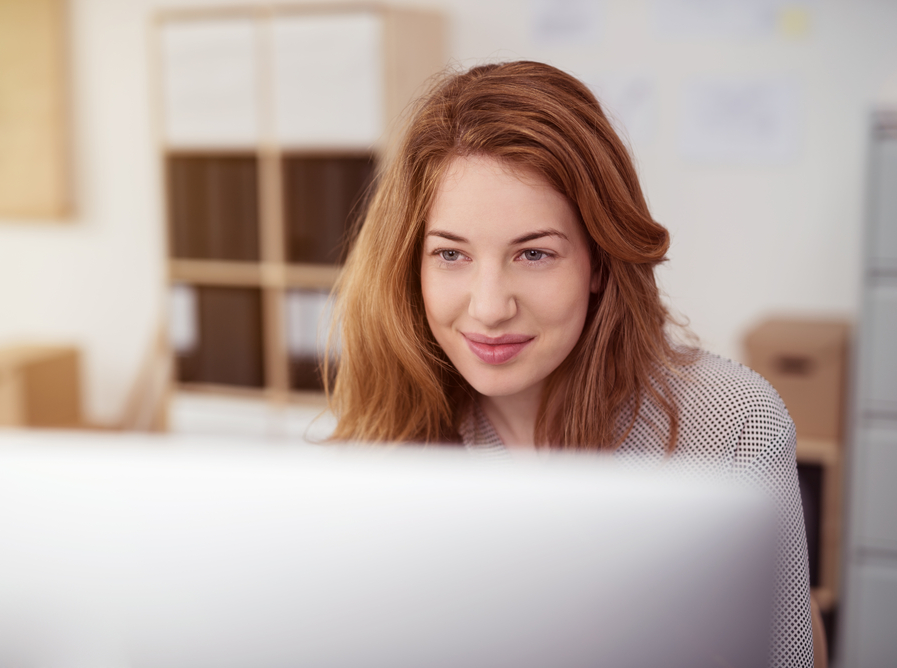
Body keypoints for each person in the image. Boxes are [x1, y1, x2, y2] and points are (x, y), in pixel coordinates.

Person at [325, 61, 814, 668]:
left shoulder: (732, 425)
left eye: (533, 253)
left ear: (600, 264)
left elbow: (789, 654)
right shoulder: (385, 445)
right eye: (451, 254)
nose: (489, 307)